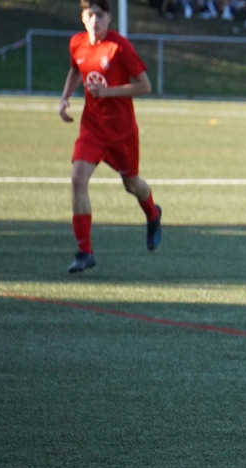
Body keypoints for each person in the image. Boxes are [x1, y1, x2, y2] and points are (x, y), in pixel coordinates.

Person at [58, 0, 162, 274]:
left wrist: (108, 92)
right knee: (78, 179)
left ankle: (153, 214)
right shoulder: (77, 44)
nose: (95, 20)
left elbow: (145, 86)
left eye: (101, 15)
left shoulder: (119, 47)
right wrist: (65, 98)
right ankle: (85, 252)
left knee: (132, 185)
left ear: (109, 18)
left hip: (122, 132)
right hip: (92, 128)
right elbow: (75, 69)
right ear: (83, 17)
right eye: (90, 14)